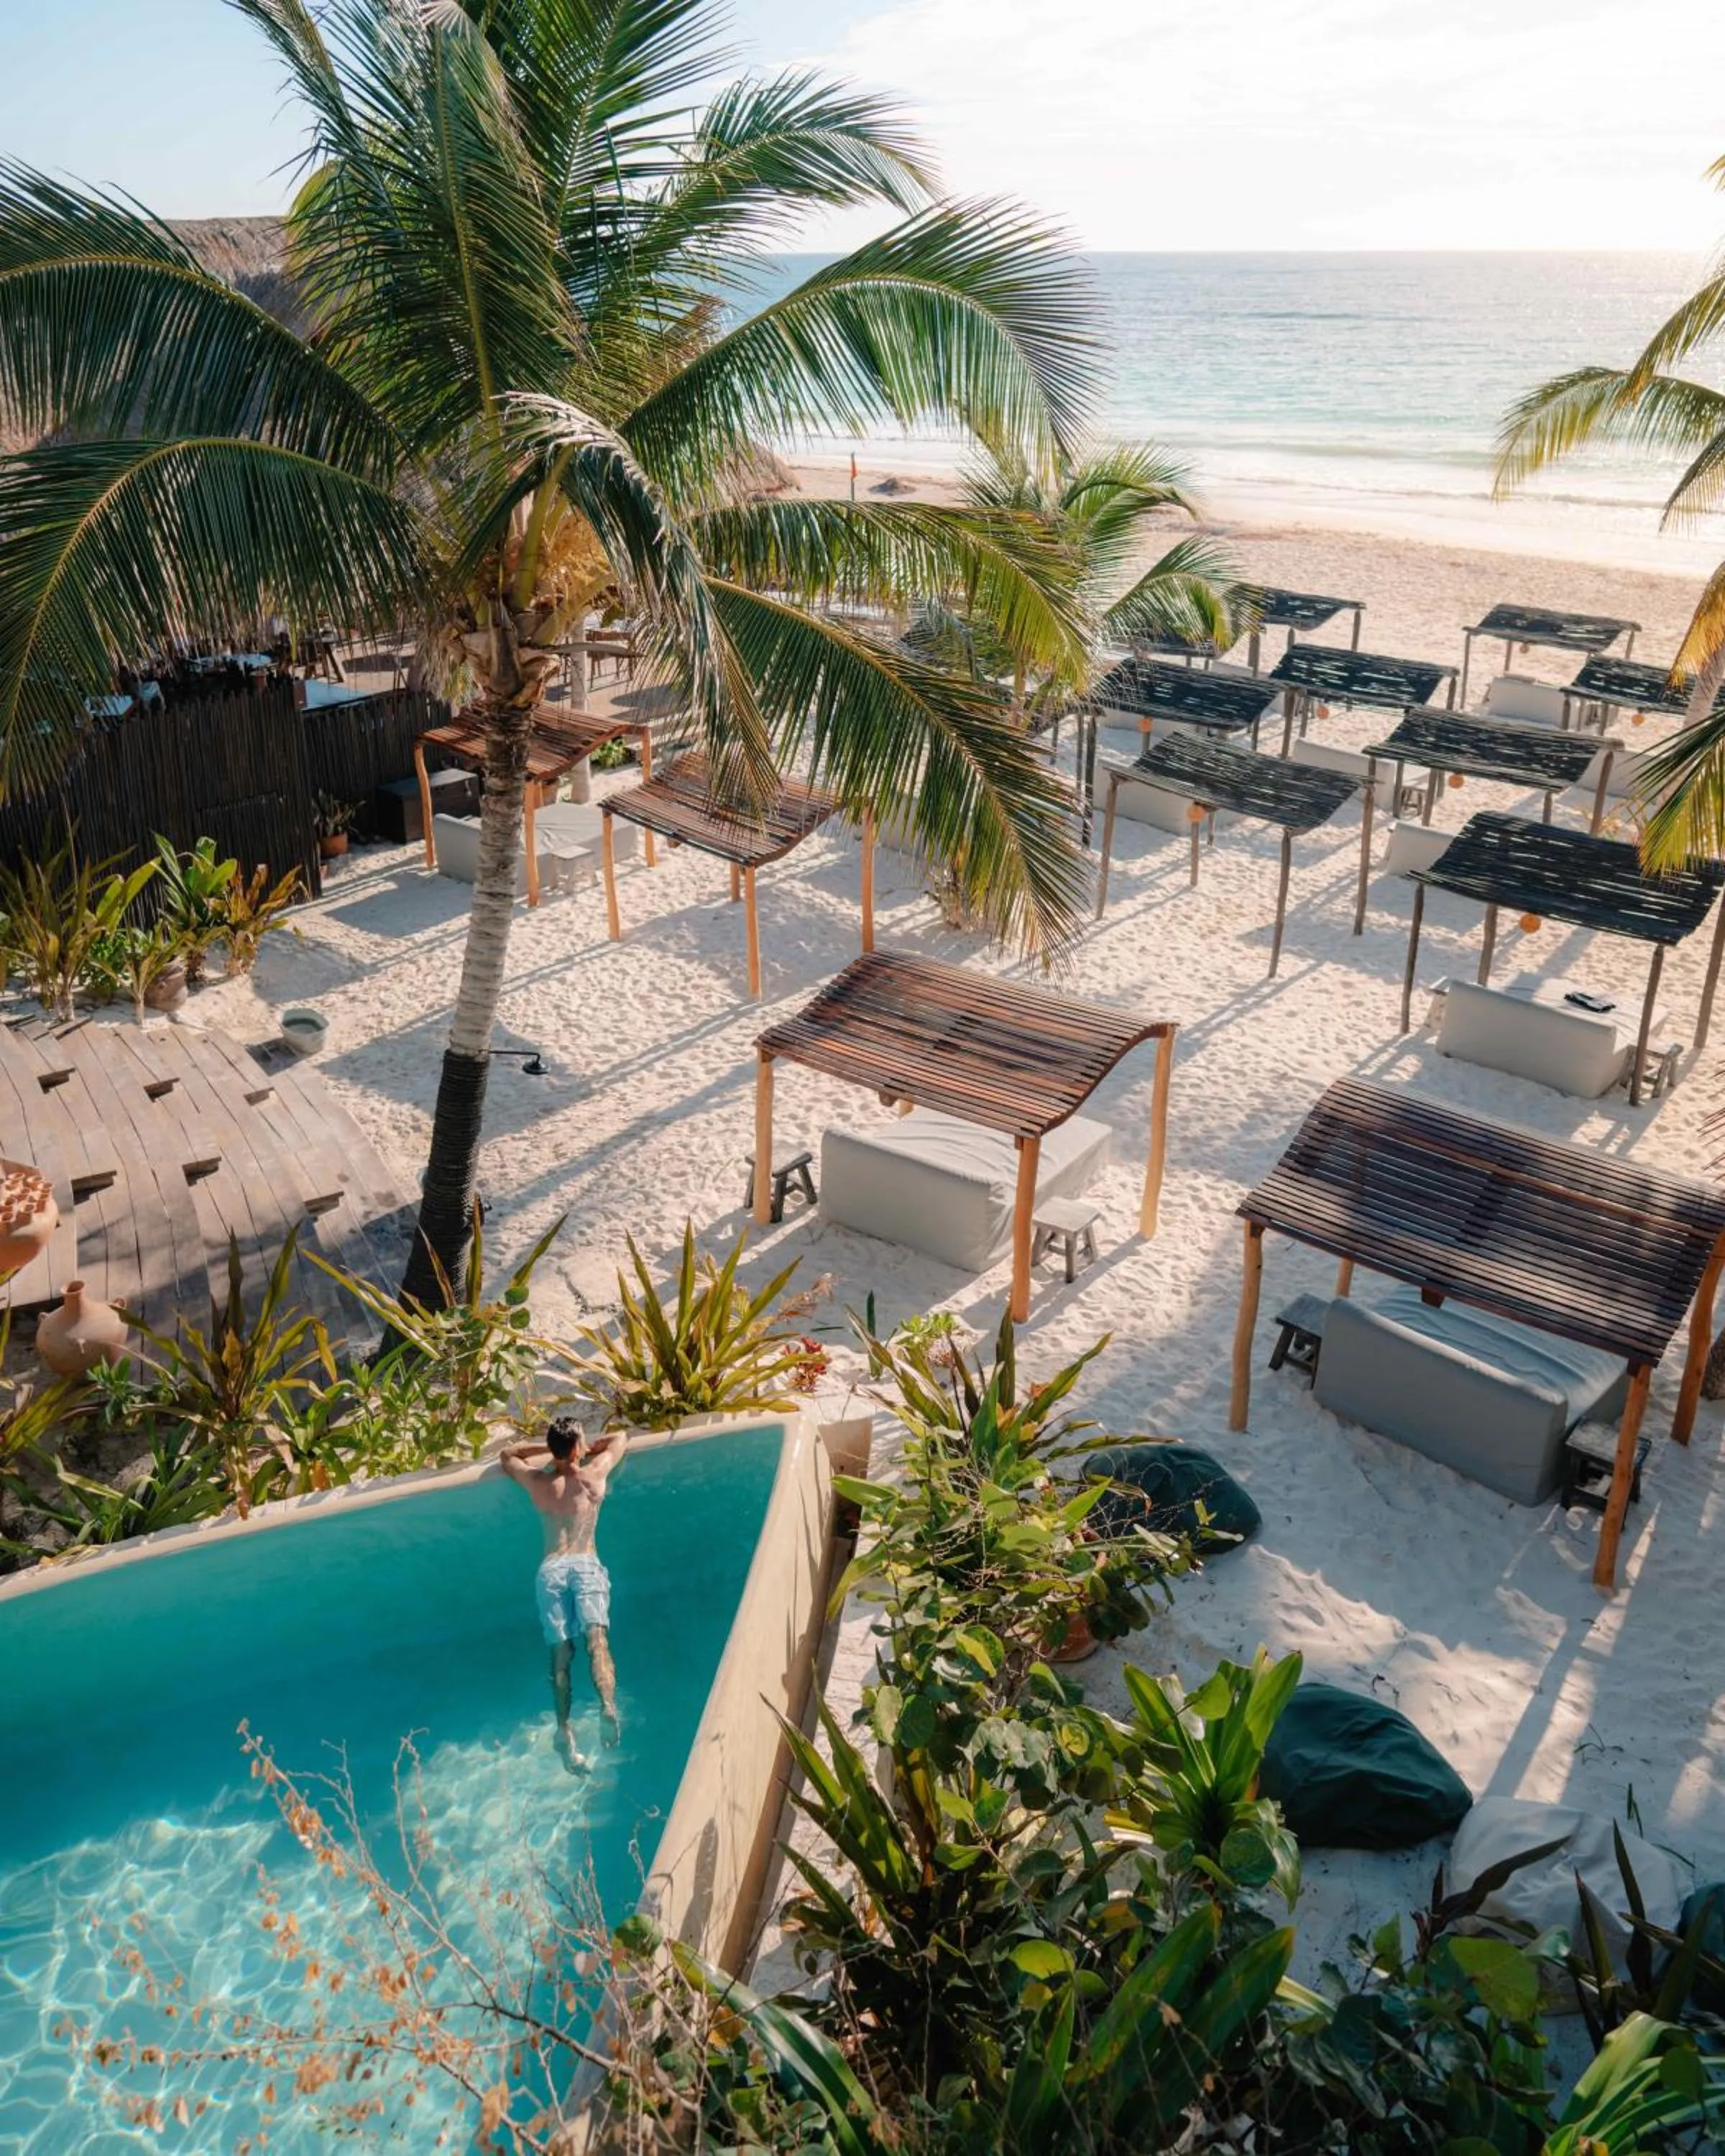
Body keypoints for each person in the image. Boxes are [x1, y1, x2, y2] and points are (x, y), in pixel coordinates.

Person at [499, 1419, 624, 1774]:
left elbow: (507, 1455)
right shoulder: (593, 1476)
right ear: (577, 1449)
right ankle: (608, 1705)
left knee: (560, 1653)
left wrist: (549, 1450)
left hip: (552, 1570)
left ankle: (564, 1728)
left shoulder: (539, 1483)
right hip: (585, 1563)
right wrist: (584, 1450)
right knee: (596, 1640)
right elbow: (620, 1438)